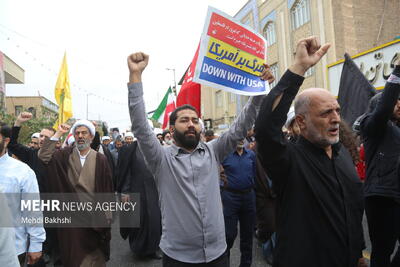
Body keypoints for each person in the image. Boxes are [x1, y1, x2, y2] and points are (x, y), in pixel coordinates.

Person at [126, 51, 274, 266]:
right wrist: (135, 76)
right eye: (184, 120)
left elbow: (240, 126)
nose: (191, 124)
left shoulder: (214, 151)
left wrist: (260, 92)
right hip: (178, 256)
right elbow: (140, 126)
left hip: (217, 253)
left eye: (195, 120)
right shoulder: (161, 159)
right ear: (171, 128)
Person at [254, 36, 366, 267]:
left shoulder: (342, 153)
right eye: (326, 113)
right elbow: (266, 127)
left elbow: (352, 211)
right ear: (302, 122)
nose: (336, 118)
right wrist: (300, 67)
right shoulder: (287, 160)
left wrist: (357, 253)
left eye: (337, 110)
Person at [38, 120, 113, 267]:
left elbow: (107, 189)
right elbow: (43, 156)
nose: (80, 136)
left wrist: (107, 215)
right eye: (77, 133)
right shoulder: (64, 155)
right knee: (74, 256)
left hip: (94, 218)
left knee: (95, 255)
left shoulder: (100, 159)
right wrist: (58, 132)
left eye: (84, 133)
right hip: (71, 218)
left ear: (91, 137)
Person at [359, 58, 400, 267]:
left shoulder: (396, 128)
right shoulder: (373, 126)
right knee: (382, 250)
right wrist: (398, 71)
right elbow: (383, 110)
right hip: (381, 196)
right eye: (395, 102)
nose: (398, 104)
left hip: (396, 194)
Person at [0, 122, 45, 266]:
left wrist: (36, 244)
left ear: (6, 141)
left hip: (12, 249)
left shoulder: (22, 172)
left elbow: (32, 210)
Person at [117, 139, 162, 259]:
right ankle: (138, 248)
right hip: (136, 189)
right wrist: (125, 191)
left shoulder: (156, 148)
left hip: (154, 191)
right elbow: (127, 172)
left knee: (154, 221)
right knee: (136, 221)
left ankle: (153, 248)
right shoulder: (130, 149)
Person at [220, 139, 256, 267]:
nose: (241, 140)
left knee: (247, 236)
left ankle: (245, 265)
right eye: (238, 137)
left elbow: (255, 174)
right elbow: (217, 174)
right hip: (230, 197)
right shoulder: (225, 155)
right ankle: (225, 263)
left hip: (249, 197)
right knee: (228, 235)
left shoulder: (251, 155)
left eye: (243, 137)